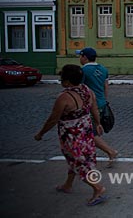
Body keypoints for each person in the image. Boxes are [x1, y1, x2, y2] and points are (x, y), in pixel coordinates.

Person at [35, 64, 107, 206]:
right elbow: (94, 110)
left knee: (78, 162)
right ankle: (68, 185)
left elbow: (53, 119)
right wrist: (98, 124)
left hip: (71, 136)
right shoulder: (87, 90)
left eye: (62, 78)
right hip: (85, 133)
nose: (60, 81)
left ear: (67, 81)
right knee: (76, 159)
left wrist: (40, 133)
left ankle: (98, 188)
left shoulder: (64, 97)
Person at [78, 47, 118, 167]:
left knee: (89, 133)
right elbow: (106, 87)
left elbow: (81, 89)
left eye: (80, 56)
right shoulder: (103, 69)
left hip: (89, 105)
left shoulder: (83, 71)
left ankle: (110, 151)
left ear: (85, 57)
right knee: (91, 131)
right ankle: (87, 155)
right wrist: (104, 101)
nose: (80, 59)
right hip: (101, 104)